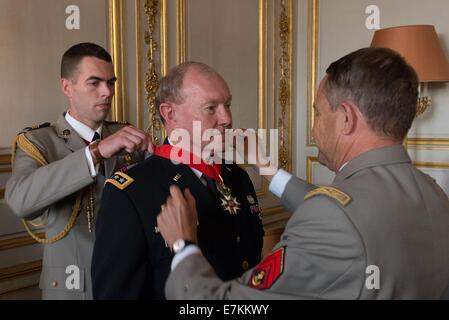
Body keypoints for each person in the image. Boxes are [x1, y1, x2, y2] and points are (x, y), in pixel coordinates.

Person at [157, 47, 449, 299]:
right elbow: (349, 212)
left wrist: (183, 247)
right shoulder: (433, 193)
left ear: (346, 118)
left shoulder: (334, 218)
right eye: (211, 107)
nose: (313, 128)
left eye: (318, 113)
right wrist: (267, 168)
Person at [91, 62, 264, 299]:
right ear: (169, 113)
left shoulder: (237, 176)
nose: (226, 119)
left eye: (228, 105)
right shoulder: (131, 192)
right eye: (210, 108)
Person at [5, 42, 152, 300]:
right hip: (75, 289)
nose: (107, 92)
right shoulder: (39, 141)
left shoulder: (126, 134)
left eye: (111, 82)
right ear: (67, 87)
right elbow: (20, 201)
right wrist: (95, 152)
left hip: (130, 282)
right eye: (94, 83)